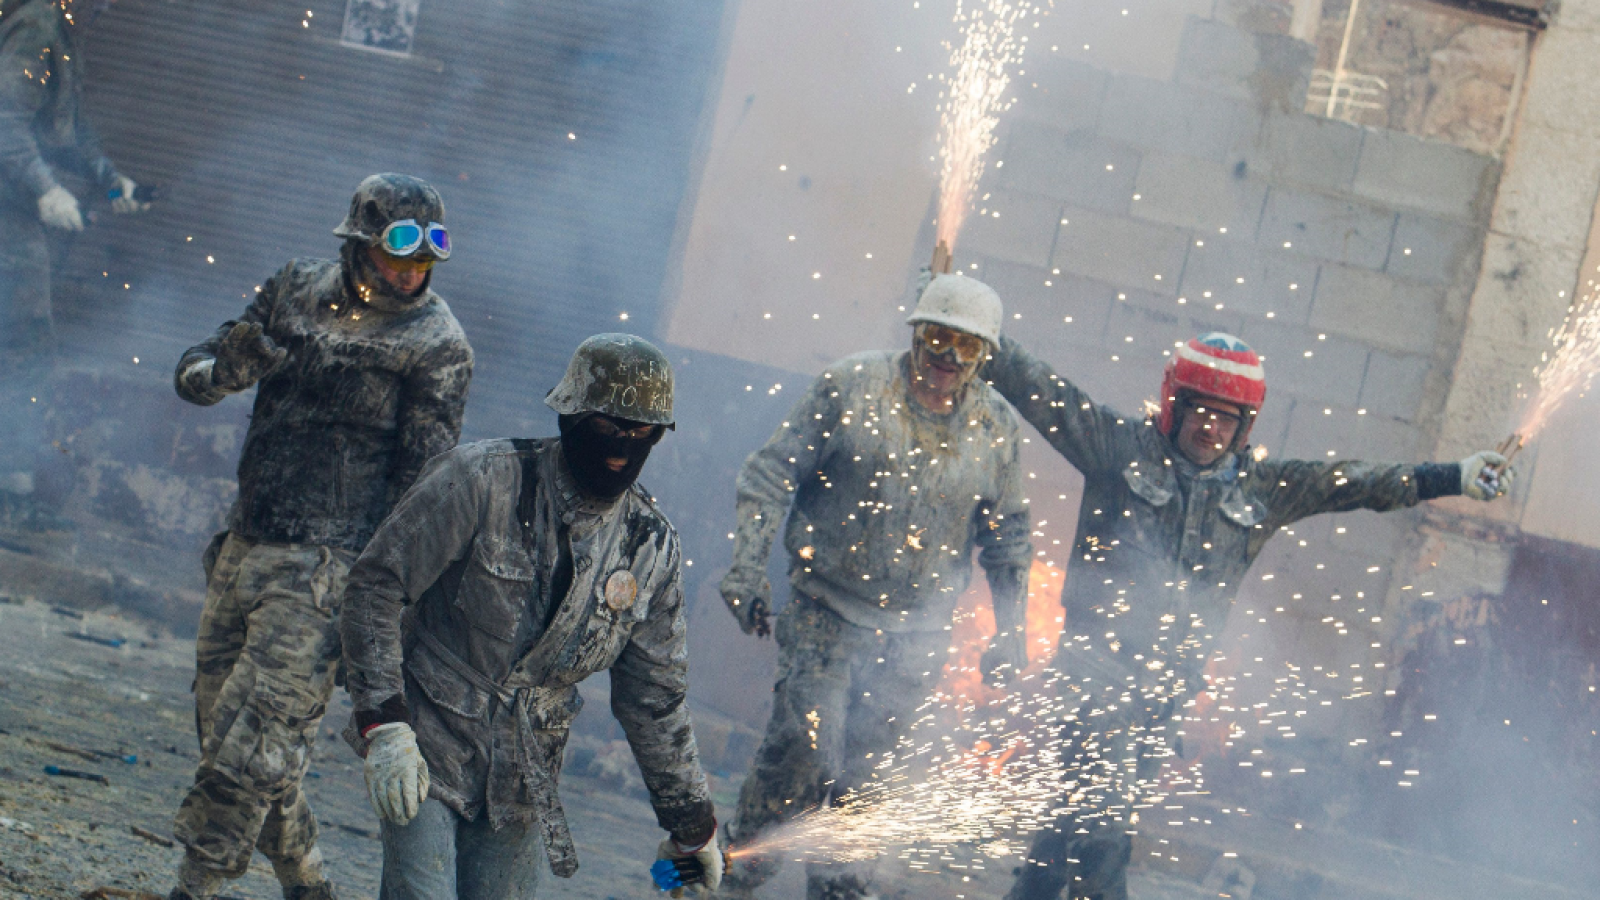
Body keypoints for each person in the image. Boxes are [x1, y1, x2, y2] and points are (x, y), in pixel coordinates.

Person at [986, 332, 1514, 900]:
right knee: (1105, 828)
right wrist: (973, 332)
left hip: (1165, 695)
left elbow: (1353, 482)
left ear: (1246, 426)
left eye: (1226, 419)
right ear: (1173, 405)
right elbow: (1045, 393)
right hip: (1096, 676)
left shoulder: (1262, 489)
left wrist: (1454, 477)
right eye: (1200, 412)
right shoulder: (1119, 450)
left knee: (1077, 813)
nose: (1210, 429)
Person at [167, 173, 473, 900]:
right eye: (397, 255)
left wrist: (385, 598)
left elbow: (421, 488)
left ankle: (193, 887)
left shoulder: (437, 343)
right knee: (225, 738)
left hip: (328, 572)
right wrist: (226, 371)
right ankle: (309, 884)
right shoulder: (294, 288)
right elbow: (192, 373)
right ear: (360, 245)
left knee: (254, 749)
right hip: (246, 546)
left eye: (424, 261)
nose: (410, 273)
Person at [339, 334, 723, 900]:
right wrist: (385, 723)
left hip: (522, 775)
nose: (621, 449)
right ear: (569, 416)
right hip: (429, 740)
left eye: (641, 432)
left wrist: (692, 829)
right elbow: (376, 586)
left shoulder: (650, 548)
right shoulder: (481, 480)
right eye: (606, 426)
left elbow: (654, 700)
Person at [716, 275, 1034, 899]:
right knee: (803, 750)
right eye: (936, 337)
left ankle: (838, 890)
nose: (945, 357)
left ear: (983, 358)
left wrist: (1012, 633)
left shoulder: (996, 428)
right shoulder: (852, 386)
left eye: (965, 347)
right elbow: (770, 472)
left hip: (916, 635)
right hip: (826, 609)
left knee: (865, 783)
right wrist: (747, 566)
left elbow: (1009, 539)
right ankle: (736, 875)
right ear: (914, 333)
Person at [0, 0, 149, 357]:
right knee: (26, 335)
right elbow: (5, 120)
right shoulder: (38, 28)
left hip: (11, 202)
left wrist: (113, 183)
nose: (104, 10)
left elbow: (68, 132)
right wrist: (46, 190)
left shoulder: (60, 36)